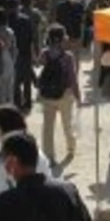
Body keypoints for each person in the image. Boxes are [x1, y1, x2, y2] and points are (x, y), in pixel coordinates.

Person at [37, 24, 81, 166]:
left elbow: (39, 65)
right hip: (65, 94)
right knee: (67, 125)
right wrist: (78, 96)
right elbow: (72, 79)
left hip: (47, 95)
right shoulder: (68, 57)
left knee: (48, 127)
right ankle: (71, 149)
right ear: (63, 38)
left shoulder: (44, 54)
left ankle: (49, 157)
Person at [7, 0, 38, 111]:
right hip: (25, 52)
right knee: (26, 79)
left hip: (12, 54)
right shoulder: (25, 19)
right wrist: (34, 54)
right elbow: (31, 38)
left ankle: (18, 102)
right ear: (17, 6)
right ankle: (28, 102)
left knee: (15, 80)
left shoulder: (6, 20)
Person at [0, 9, 18, 114]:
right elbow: (14, 49)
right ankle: (10, 112)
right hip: (7, 59)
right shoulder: (9, 32)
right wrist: (13, 61)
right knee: (9, 90)